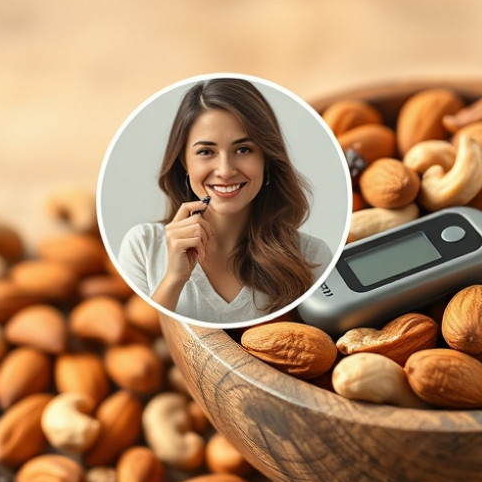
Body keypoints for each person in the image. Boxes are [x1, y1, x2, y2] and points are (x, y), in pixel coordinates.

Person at [118, 78, 333, 323]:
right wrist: (173, 279)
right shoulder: (143, 247)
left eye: (243, 150)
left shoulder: (311, 256)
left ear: (267, 159)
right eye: (206, 152)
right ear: (183, 162)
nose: (225, 170)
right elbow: (143, 342)